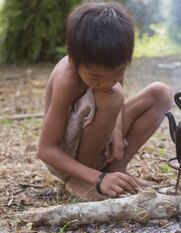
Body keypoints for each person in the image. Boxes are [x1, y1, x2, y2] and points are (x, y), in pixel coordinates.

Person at [37, 2, 172, 201]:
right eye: (95, 78)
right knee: (111, 95)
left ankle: (117, 168)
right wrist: (98, 179)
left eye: (118, 72)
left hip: (99, 141)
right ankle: (81, 180)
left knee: (161, 93)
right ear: (74, 60)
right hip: (66, 159)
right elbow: (45, 149)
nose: (108, 82)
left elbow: (115, 101)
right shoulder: (68, 79)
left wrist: (116, 132)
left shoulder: (112, 62)